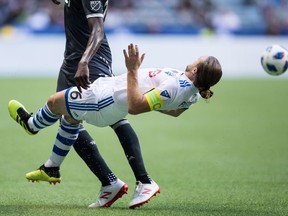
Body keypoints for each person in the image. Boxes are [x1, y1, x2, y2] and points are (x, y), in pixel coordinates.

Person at [8, 43, 223, 208]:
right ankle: (52, 167)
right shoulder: (192, 92)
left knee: (54, 102)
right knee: (70, 118)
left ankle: (32, 125)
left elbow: (135, 107)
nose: (193, 60)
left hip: (104, 101)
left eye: (197, 60)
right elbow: (174, 111)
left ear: (196, 70)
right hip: (109, 94)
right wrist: (145, 97)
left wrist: (132, 70)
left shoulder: (176, 86)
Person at [38, 0, 155, 209]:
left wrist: (84, 62)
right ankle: (109, 182)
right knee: (68, 117)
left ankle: (144, 180)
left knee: (115, 115)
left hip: (91, 59)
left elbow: (98, 30)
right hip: (72, 58)